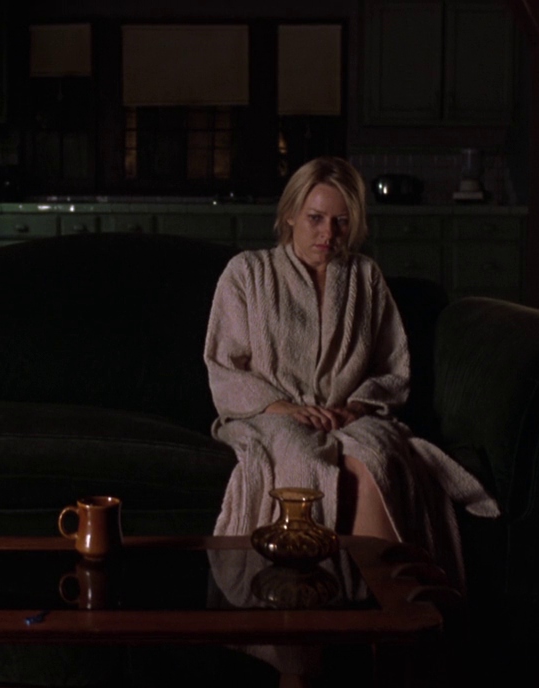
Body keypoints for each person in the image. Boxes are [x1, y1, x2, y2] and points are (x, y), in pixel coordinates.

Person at [203, 157, 499, 590]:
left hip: (351, 415)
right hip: (270, 416)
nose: (328, 234)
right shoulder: (248, 273)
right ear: (290, 214)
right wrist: (284, 408)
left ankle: (391, 611)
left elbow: (392, 365)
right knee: (301, 460)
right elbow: (224, 366)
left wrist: (356, 407)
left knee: (374, 461)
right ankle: (317, 610)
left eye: (341, 222)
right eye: (315, 218)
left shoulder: (365, 277)